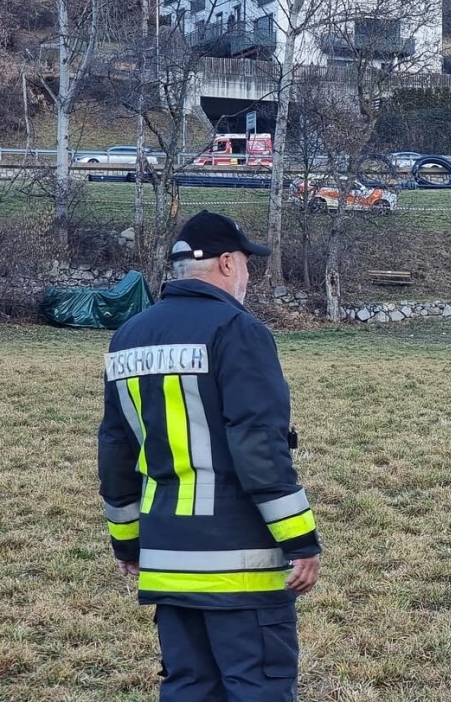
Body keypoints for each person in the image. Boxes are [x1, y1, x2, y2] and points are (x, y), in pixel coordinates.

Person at [99, 210, 321, 702]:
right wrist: (301, 538)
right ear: (225, 263)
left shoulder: (127, 338)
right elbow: (259, 445)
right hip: (239, 559)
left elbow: (116, 451)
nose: (247, 275)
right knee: (258, 687)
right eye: (245, 264)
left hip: (165, 555)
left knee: (189, 688)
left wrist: (126, 542)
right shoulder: (239, 329)